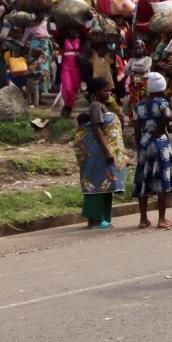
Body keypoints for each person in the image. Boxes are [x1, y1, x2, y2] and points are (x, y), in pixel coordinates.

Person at [75, 78, 128, 230]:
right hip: (100, 154)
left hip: (103, 153)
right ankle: (95, 221)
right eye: (105, 90)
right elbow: (97, 130)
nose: (109, 93)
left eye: (109, 90)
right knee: (96, 185)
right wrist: (107, 152)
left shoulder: (104, 105)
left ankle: (101, 218)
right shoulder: (96, 106)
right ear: (95, 92)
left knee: (105, 185)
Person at [132, 71, 172, 230]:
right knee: (161, 181)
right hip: (160, 144)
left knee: (143, 180)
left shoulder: (139, 105)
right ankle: (161, 219)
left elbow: (136, 129)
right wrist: (160, 129)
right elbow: (168, 115)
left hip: (145, 144)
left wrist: (139, 145)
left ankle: (143, 219)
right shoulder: (162, 102)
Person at [58, 26, 86, 118]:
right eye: (71, 29)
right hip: (65, 67)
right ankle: (66, 105)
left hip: (76, 68)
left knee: (74, 89)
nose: (73, 31)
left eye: (75, 29)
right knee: (67, 88)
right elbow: (60, 53)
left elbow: (87, 29)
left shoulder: (81, 40)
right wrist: (59, 64)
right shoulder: (63, 40)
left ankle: (68, 108)